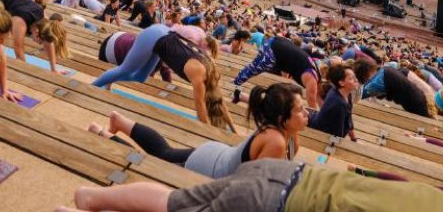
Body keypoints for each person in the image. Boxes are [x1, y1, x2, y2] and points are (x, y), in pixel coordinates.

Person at [55, 157, 443, 212]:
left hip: (285, 170)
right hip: (268, 204)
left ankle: (91, 197)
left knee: (171, 202)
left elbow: (383, 178)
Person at [88, 83, 307, 178]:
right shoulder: (276, 141)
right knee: (149, 164)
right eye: (300, 109)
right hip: (208, 167)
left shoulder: (288, 134)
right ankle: (102, 133)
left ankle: (119, 121)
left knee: (165, 152)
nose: (307, 113)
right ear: (282, 119)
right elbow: (252, 187)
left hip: (217, 155)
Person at [92, 24, 234, 130]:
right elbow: (200, 106)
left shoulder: (210, 74)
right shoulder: (199, 73)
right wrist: (208, 132)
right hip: (153, 36)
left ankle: (109, 79)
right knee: (125, 70)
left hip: (163, 36)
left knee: (141, 77)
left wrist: (233, 130)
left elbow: (220, 102)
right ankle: (92, 86)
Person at [233, 36, 320, 108]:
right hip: (272, 52)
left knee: (252, 67)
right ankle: (235, 86)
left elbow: (289, 62)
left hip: (272, 42)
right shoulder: (312, 79)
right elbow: (312, 103)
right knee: (254, 70)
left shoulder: (311, 68)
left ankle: (235, 83)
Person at [354, 59, 431, 117]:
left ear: (364, 74)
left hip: (417, 106)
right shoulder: (386, 70)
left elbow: (357, 98)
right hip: (420, 100)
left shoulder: (377, 81)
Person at [308, 64, 357, 140]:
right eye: (351, 78)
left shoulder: (346, 94)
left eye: (354, 77)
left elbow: (349, 118)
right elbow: (337, 135)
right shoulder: (339, 104)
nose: (356, 80)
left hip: (317, 120)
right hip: (319, 133)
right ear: (341, 83)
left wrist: (354, 139)